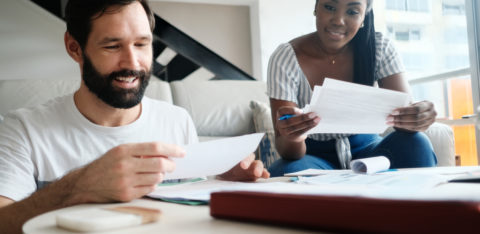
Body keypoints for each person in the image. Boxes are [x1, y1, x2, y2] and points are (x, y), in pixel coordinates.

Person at [0, 0, 269, 232]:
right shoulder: (23, 129)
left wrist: (221, 182)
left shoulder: (176, 120)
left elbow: (188, 210)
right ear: (74, 48)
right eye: (112, 46)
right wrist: (78, 187)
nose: (132, 63)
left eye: (142, 44)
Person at [267, 0, 438, 176]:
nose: (339, 20)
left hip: (370, 150)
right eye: (329, 7)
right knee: (289, 172)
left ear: (364, 15)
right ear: (316, 7)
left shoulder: (380, 48)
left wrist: (417, 117)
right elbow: (287, 151)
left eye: (352, 12)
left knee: (417, 144)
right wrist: (293, 136)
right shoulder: (285, 58)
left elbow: (405, 124)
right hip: (311, 155)